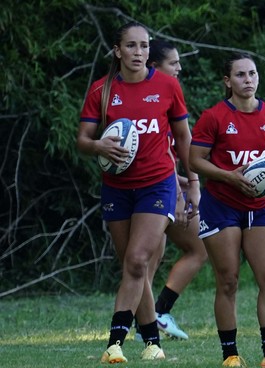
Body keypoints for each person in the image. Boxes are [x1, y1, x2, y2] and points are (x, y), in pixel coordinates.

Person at [77, 22, 200, 363]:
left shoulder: (166, 85)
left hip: (157, 184)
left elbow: (185, 138)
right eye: (130, 46)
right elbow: (83, 140)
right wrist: (98, 144)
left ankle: (114, 342)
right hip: (116, 187)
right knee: (131, 267)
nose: (138, 53)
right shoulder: (102, 91)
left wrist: (193, 183)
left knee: (137, 259)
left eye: (144, 46)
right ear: (118, 51)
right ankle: (151, 342)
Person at [189, 54, 265, 367]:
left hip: (260, 208)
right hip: (222, 206)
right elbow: (195, 160)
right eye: (240, 75)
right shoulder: (214, 117)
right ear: (227, 81)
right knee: (229, 281)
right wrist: (230, 176)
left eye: (252, 74)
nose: (248, 80)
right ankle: (230, 355)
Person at [141, 39, 208, 340]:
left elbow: (172, 151)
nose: (180, 68)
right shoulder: (147, 98)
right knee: (151, 260)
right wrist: (182, 192)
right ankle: (151, 319)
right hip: (155, 193)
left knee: (152, 261)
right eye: (173, 63)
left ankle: (153, 318)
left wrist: (183, 180)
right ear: (154, 67)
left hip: (166, 186)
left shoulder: (167, 96)